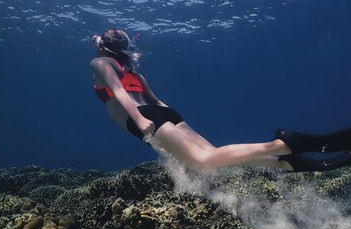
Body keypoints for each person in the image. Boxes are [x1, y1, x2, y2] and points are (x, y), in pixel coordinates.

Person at [91, 29, 294, 171]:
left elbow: (118, 91)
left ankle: (278, 145)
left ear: (105, 49)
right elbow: (157, 102)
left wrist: (139, 119)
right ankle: (279, 162)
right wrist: (172, 119)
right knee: (215, 155)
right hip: (162, 113)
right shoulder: (135, 75)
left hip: (141, 117)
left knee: (204, 162)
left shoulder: (99, 62)